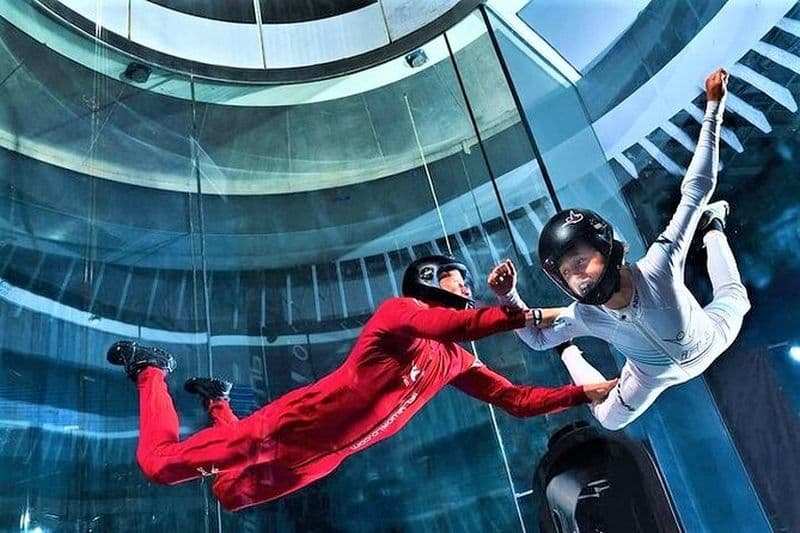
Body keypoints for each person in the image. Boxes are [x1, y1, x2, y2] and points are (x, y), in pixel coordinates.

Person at [108, 254, 616, 512]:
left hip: (321, 459)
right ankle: (150, 369)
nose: (465, 285)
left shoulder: (457, 362)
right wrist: (521, 313)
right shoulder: (402, 314)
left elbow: (518, 400)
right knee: (158, 467)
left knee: (228, 494)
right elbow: (457, 324)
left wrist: (584, 392)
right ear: (428, 280)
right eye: (455, 278)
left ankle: (218, 403)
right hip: (289, 428)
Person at [488, 68, 750, 431]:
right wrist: (509, 297)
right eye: (566, 272)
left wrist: (713, 106)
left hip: (714, 337)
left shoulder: (657, 266)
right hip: (650, 378)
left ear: (605, 248)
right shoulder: (584, 315)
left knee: (736, 297)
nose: (576, 276)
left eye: (579, 261)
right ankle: (572, 354)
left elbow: (698, 188)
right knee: (608, 419)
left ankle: (713, 228)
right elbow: (535, 340)